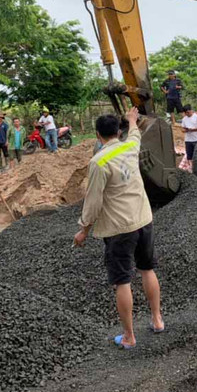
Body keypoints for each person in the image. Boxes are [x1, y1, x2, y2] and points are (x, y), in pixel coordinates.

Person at [73, 107, 164, 350]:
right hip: (143, 219)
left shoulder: (98, 161)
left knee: (122, 281)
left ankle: (128, 336)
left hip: (119, 228)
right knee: (147, 269)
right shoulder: (130, 146)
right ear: (118, 131)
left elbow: (93, 202)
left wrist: (83, 229)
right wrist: (132, 119)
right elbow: (135, 133)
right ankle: (157, 320)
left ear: (97, 135)